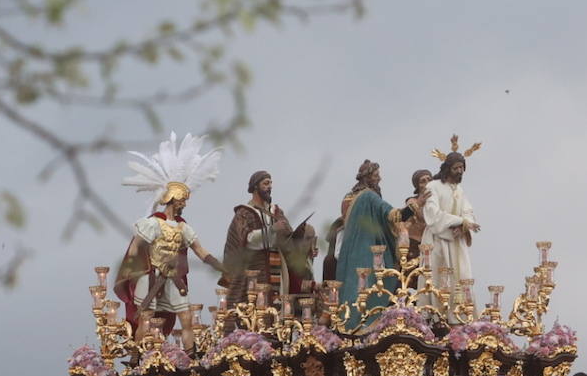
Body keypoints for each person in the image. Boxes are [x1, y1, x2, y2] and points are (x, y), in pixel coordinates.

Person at [113, 133, 224, 349]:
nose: (184, 203)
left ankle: (192, 357)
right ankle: (140, 358)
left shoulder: (184, 227)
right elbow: (136, 246)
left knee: (186, 318)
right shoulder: (153, 223)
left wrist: (221, 267)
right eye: (182, 199)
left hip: (173, 279)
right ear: (172, 198)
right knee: (145, 318)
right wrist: (133, 271)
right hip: (151, 276)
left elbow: (200, 251)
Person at [334, 161, 415, 327]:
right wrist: (414, 205)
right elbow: (394, 216)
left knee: (353, 289)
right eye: (377, 175)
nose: (380, 179)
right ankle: (364, 326)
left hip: (349, 252)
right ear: (368, 177)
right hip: (367, 251)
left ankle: (349, 325)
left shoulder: (351, 197)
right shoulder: (369, 196)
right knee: (370, 288)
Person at [223, 171, 317, 305]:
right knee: (254, 305)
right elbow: (248, 239)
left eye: (271, 183)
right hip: (254, 266)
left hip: (277, 267)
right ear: (255, 187)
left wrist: (307, 250)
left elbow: (288, 240)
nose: (270, 186)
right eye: (266, 183)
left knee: (276, 305)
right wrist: (272, 229)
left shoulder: (276, 211)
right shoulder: (244, 213)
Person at [422, 145, 482, 310]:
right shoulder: (433, 187)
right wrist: (460, 221)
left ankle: (461, 314)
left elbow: (468, 212)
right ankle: (436, 314)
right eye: (456, 168)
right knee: (437, 277)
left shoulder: (459, 190)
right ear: (447, 169)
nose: (460, 171)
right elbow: (433, 215)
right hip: (438, 240)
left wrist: (464, 226)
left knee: (462, 276)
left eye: (462, 168)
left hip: (456, 241)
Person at [403, 169, 433, 268]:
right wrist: (421, 202)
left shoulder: (437, 203)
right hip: (414, 246)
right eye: (423, 181)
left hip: (431, 246)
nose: (427, 183)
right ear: (417, 186)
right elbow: (423, 217)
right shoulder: (412, 201)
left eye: (429, 179)